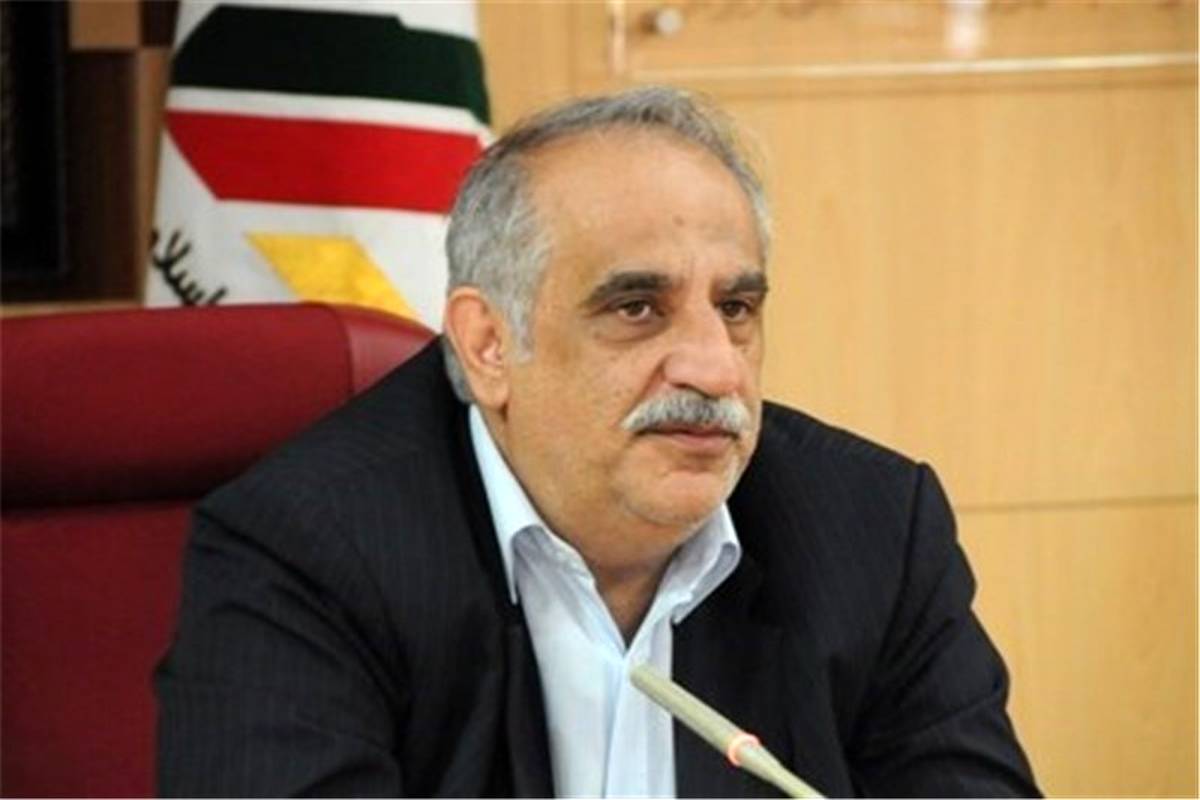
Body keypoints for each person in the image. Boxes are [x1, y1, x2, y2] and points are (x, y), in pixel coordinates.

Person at [156, 86, 1038, 798]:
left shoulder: (870, 531)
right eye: (637, 308)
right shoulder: (306, 551)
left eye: (735, 308)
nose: (714, 369)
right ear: (489, 344)